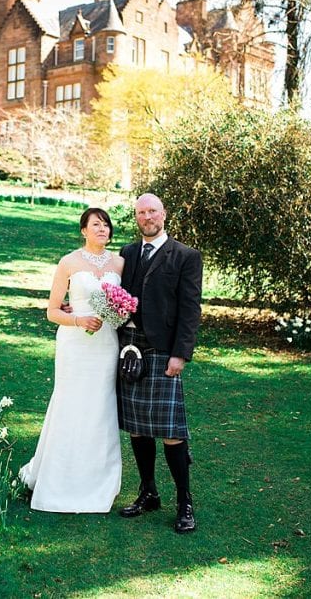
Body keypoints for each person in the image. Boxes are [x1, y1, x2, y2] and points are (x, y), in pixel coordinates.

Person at [19, 208, 124, 513]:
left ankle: (97, 480)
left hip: (106, 345)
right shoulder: (68, 262)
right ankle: (59, 476)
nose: (102, 229)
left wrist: (120, 312)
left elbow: (125, 302)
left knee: (100, 407)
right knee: (70, 403)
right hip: (75, 345)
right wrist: (79, 321)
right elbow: (52, 311)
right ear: (83, 230)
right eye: (96, 224)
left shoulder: (120, 262)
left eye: (106, 225)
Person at [116, 193, 203, 534]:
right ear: (136, 217)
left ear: (164, 214)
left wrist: (180, 353)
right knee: (137, 426)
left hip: (163, 351)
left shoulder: (185, 256)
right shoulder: (127, 253)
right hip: (128, 348)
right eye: (141, 212)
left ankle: (184, 501)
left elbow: (190, 309)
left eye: (153, 210)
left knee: (170, 431)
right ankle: (148, 491)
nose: (147, 216)